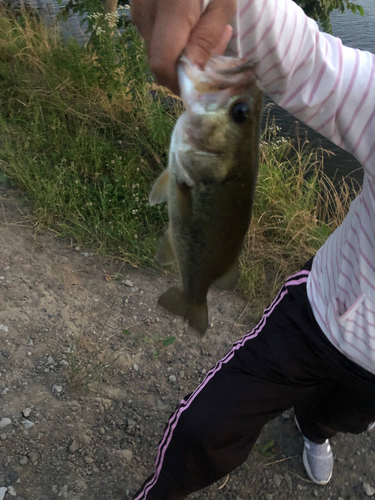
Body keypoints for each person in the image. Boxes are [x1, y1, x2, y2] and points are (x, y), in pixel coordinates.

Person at [131, 0, 375, 498]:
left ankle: (314, 429)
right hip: (319, 312)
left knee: (340, 416)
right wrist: (222, 11)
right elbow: (304, 60)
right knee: (205, 427)